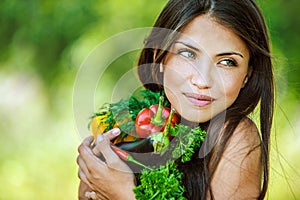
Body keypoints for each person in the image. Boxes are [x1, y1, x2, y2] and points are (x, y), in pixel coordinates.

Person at [77, 0, 274, 199]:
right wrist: (92, 182)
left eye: (227, 62)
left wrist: (123, 193)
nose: (202, 80)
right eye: (188, 54)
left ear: (247, 76)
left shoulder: (237, 136)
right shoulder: (145, 121)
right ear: (160, 58)